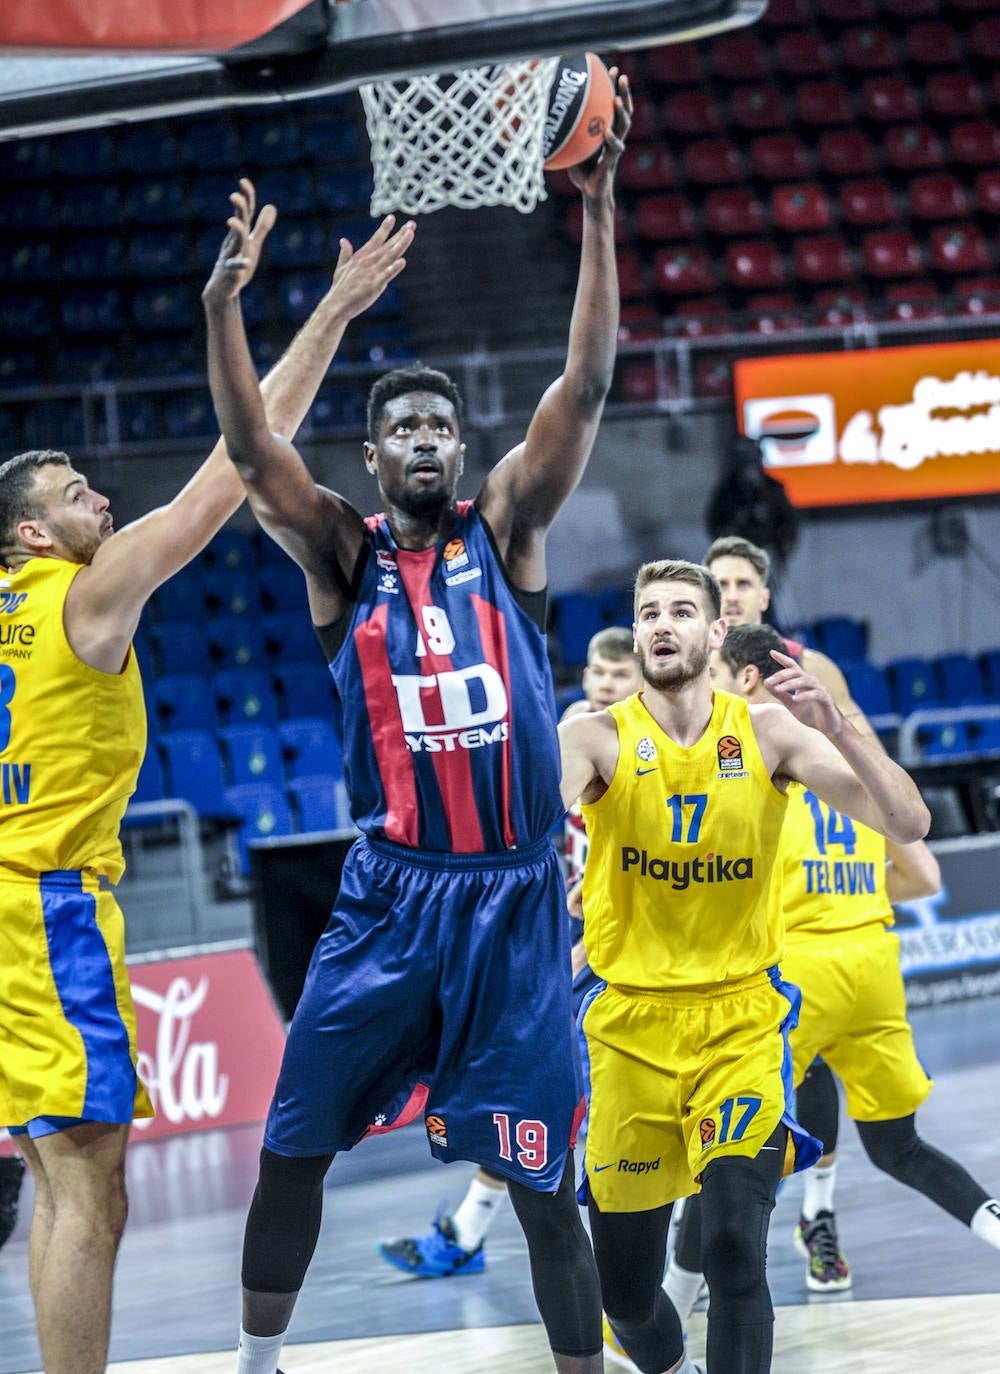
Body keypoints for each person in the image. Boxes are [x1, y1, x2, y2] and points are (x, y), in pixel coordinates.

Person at [202, 77, 633, 1374]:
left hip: (513, 905)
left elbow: (590, 382)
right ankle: (257, 1363)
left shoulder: (510, 533)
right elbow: (244, 448)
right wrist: (229, 304)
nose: (428, 439)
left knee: (549, 1188)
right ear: (376, 457)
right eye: (403, 428)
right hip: (390, 898)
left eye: (443, 422)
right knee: (293, 1145)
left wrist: (599, 212)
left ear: (464, 443)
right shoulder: (341, 554)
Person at [0, 180, 415, 1374]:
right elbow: (228, 474)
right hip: (47, 909)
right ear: (33, 535)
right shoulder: (81, 592)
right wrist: (329, 312)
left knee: (55, 1179)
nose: (102, 500)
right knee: (89, 1186)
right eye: (79, 496)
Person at [558, 559, 929, 1374]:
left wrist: (840, 726)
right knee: (624, 1295)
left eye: (680, 610)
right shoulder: (591, 737)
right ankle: (671, 1363)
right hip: (630, 1029)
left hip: (741, 1024)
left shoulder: (767, 733)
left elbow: (910, 819)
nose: (662, 623)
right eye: (649, 611)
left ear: (714, 630)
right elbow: (526, 829)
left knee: (732, 1247)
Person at [705, 627, 1000, 1288]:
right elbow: (924, 876)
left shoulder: (757, 758)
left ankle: (678, 1298)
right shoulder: (857, 773)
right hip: (872, 961)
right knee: (900, 1145)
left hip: (797, 969)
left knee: (730, 1152)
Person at [376, 625, 642, 1279]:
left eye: (620, 675)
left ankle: (656, 1261)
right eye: (598, 673)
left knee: (593, 1102)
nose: (606, 685)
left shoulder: (649, 744)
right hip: (573, 930)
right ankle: (471, 1233)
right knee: (531, 1090)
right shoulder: (576, 731)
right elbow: (538, 826)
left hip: (630, 942)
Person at [700, 531, 876, 1288]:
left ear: (764, 597)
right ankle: (696, 1245)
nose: (732, 594)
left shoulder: (805, 669)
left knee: (804, 1066)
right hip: (708, 895)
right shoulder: (686, 674)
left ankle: (819, 1213)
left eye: (743, 584)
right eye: (720, 585)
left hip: (792, 892)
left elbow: (861, 766)